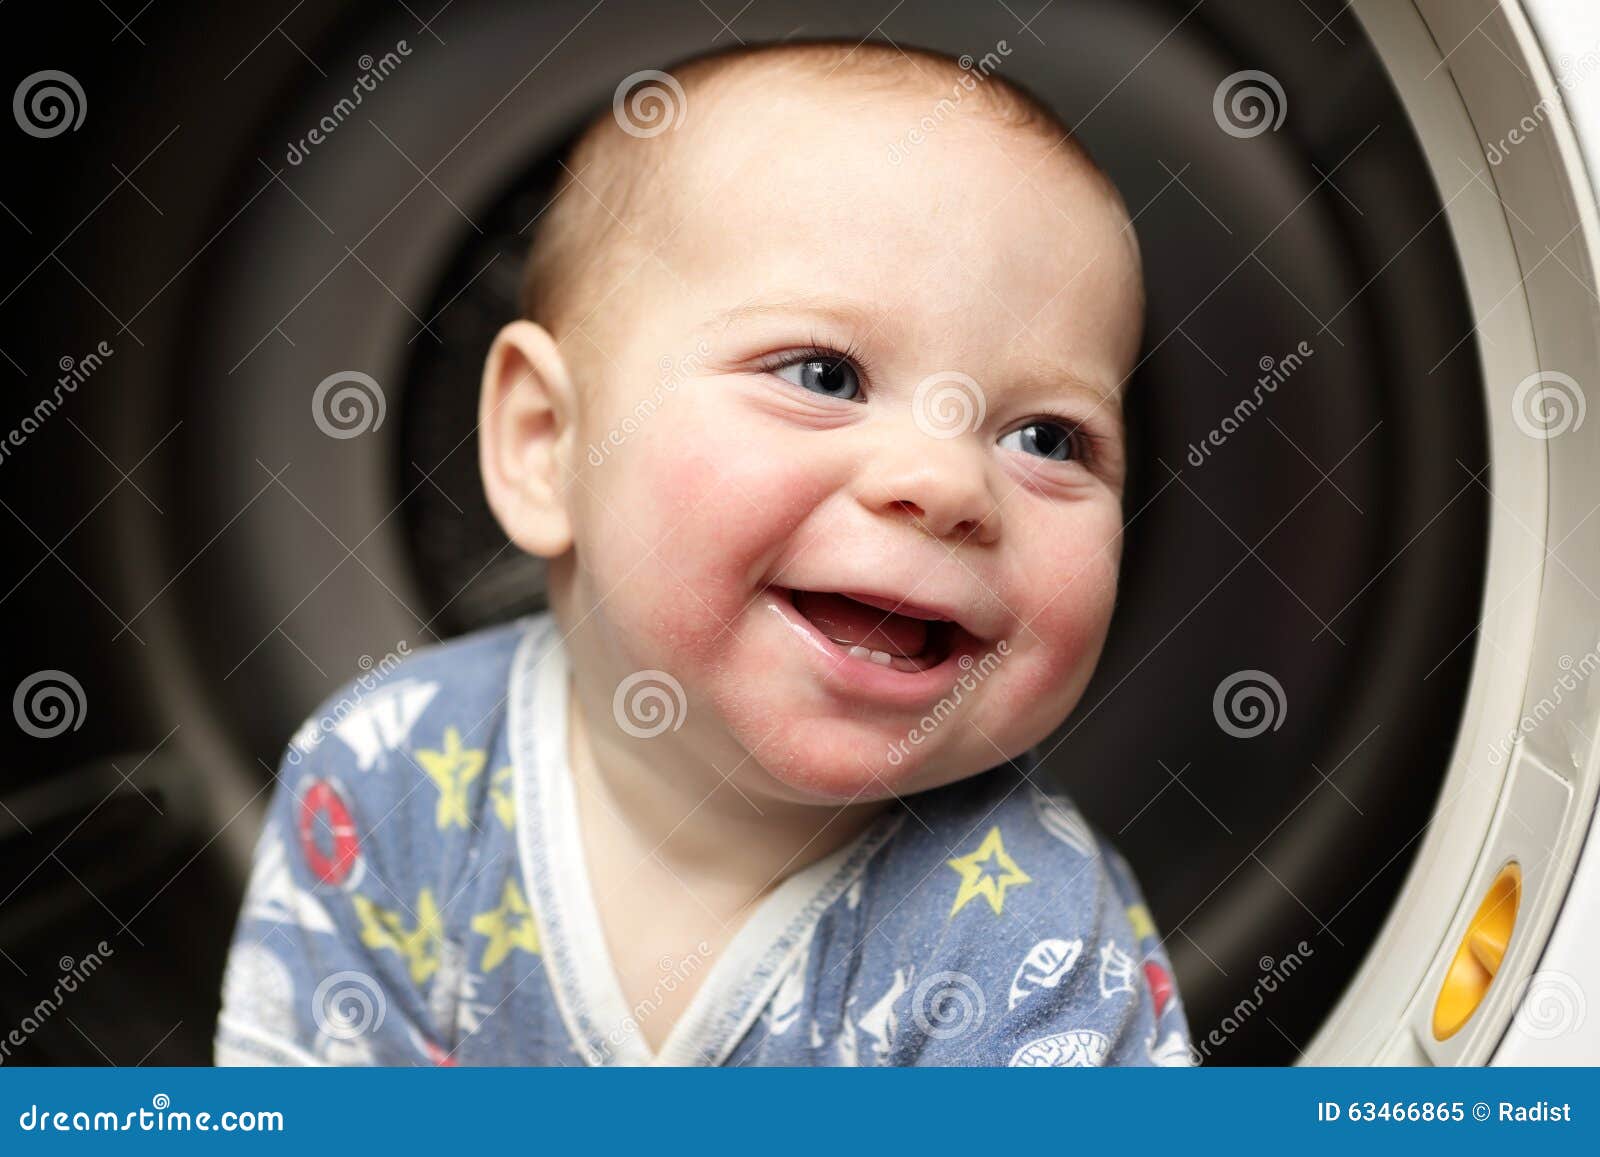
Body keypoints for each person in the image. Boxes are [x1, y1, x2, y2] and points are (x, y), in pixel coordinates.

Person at [215, 39, 1192, 1068]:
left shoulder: (1027, 931)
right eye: (823, 373)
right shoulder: (384, 777)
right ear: (549, 443)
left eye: (1047, 438)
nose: (949, 484)